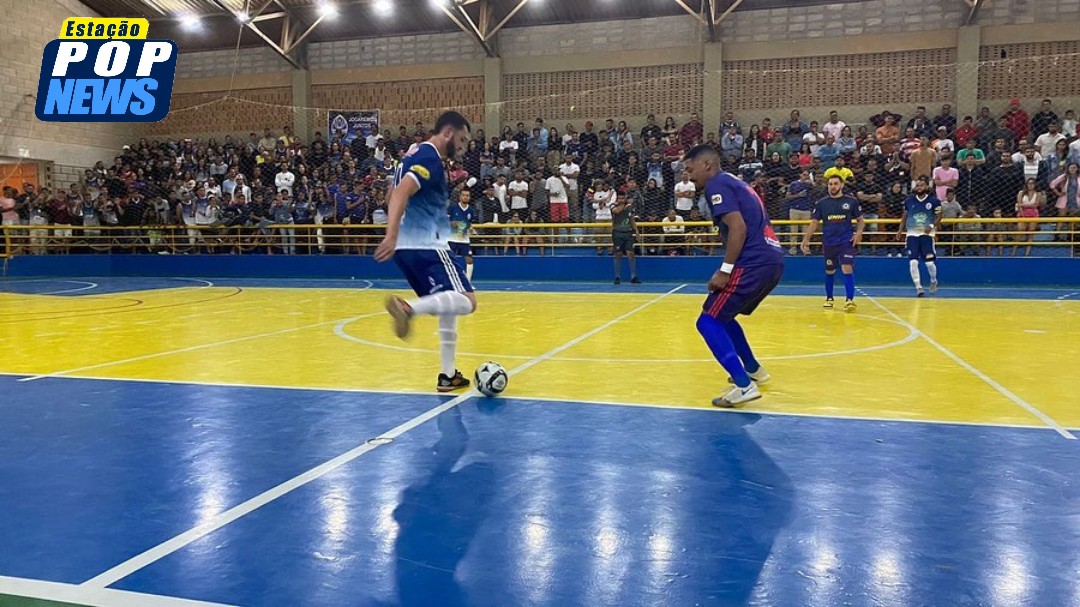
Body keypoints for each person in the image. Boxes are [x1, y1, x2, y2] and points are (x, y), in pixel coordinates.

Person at [375, 111, 476, 393]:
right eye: (462, 139)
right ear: (448, 133)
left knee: (447, 306)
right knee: (467, 301)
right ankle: (408, 309)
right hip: (426, 243)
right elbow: (401, 193)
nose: (463, 145)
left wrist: (397, 233)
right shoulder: (429, 157)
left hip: (407, 250)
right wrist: (391, 233)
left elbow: (389, 194)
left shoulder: (411, 155)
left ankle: (448, 375)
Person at [682, 145, 785, 408]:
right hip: (771, 258)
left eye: (690, 169)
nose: (688, 175)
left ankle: (743, 386)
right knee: (723, 316)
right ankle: (753, 370)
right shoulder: (736, 183)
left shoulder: (717, 184)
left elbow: (738, 227)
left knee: (707, 321)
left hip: (752, 261)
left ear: (707, 164)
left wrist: (725, 270)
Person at [801, 175, 864, 311]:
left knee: (847, 268)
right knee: (830, 271)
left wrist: (858, 233)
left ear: (841, 185)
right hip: (829, 242)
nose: (832, 186)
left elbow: (860, 220)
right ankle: (829, 298)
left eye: (835, 183)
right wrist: (806, 239)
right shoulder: (822, 203)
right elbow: (814, 222)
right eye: (830, 184)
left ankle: (849, 300)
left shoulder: (851, 201)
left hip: (846, 241)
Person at [896, 176, 942, 297]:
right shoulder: (909, 201)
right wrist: (900, 230)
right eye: (918, 185)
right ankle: (919, 287)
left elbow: (939, 217)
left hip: (927, 235)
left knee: (929, 264)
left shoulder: (934, 201)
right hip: (912, 235)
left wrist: (931, 225)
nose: (919, 187)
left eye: (922, 185)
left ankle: (933, 280)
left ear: (927, 187)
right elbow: (904, 216)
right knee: (913, 262)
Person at [610, 190, 640, 285]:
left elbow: (631, 219)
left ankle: (633, 276)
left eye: (623, 198)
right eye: (619, 198)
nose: (621, 200)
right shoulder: (613, 206)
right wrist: (625, 204)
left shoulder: (629, 207)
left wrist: (637, 231)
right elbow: (617, 211)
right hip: (617, 233)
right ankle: (617, 277)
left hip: (628, 233)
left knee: (631, 254)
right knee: (618, 254)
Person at [448, 189, 477, 280]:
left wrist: (472, 230)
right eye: (463, 195)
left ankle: (467, 281)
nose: (465, 197)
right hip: (452, 239)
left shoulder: (471, 210)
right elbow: (445, 222)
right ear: (460, 197)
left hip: (464, 240)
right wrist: (453, 224)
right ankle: (450, 279)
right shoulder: (452, 208)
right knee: (450, 260)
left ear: (469, 197)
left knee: (469, 259)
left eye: (467, 195)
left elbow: (469, 224)